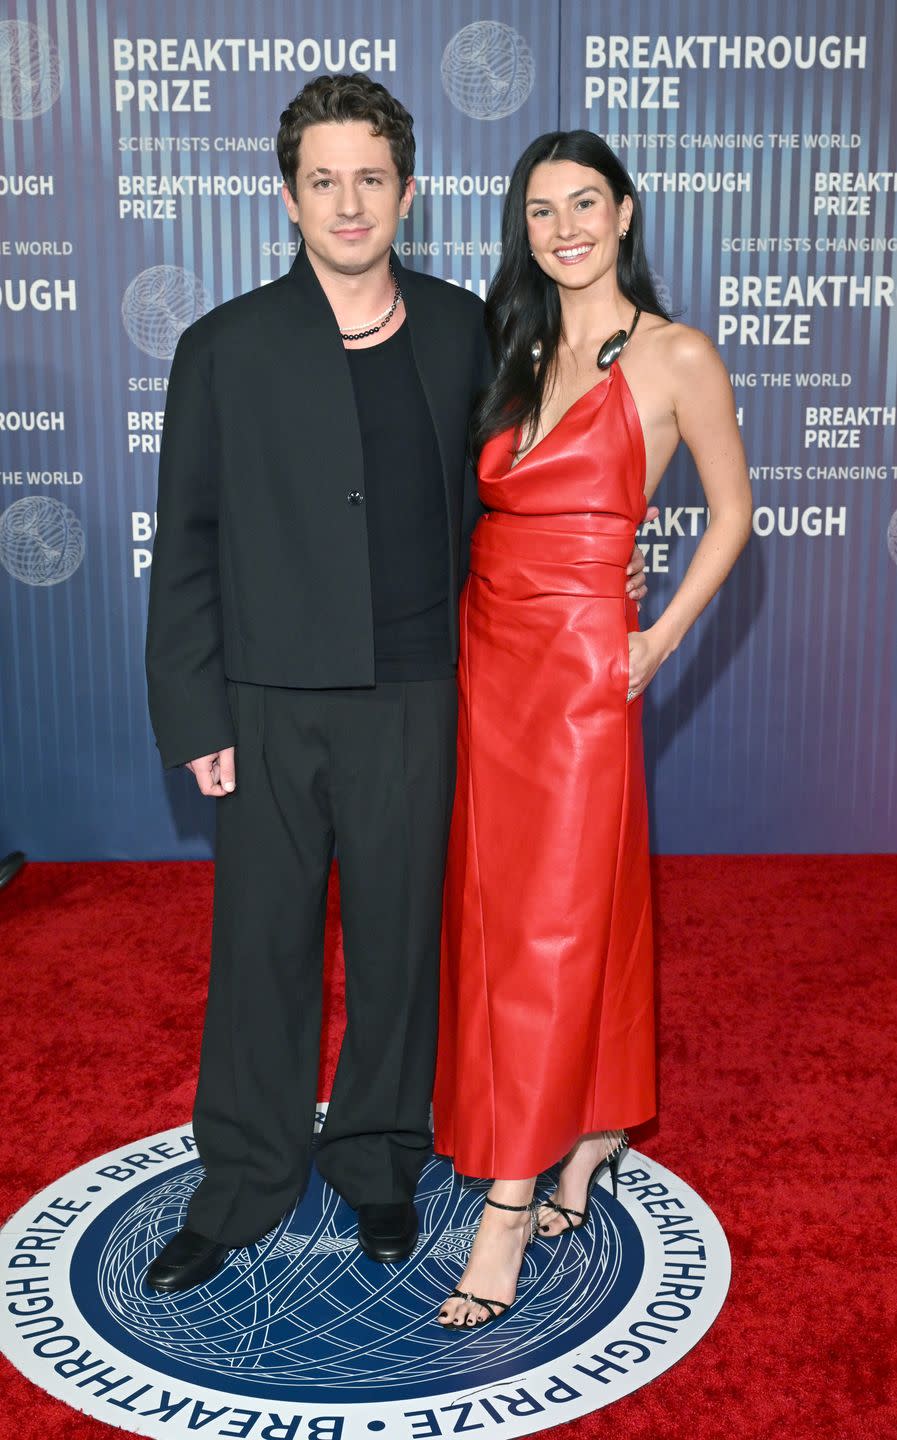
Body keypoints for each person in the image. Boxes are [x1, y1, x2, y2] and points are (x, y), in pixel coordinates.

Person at [144, 76, 654, 1294]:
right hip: (266, 703)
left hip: (427, 694)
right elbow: (190, 541)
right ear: (289, 198)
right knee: (259, 950)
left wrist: (608, 547)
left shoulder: (468, 333)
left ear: (408, 192)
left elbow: (533, 479)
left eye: (371, 177)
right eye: (323, 179)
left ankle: (378, 1159)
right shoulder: (221, 346)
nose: (349, 201)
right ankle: (244, 1180)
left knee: (398, 950)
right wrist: (195, 712)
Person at [432, 129, 752, 1328]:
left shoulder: (674, 356)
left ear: (624, 212)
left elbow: (733, 514)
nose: (562, 227)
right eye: (539, 210)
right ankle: (596, 1128)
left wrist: (655, 642)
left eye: (583, 204)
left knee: (556, 926)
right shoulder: (511, 345)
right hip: (486, 658)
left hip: (577, 674)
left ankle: (509, 1205)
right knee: (503, 912)